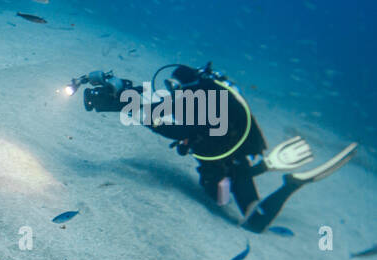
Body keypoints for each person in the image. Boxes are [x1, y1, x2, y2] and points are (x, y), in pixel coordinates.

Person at [68, 62, 357, 232]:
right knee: (236, 201)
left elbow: (171, 126)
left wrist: (134, 110)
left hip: (225, 155)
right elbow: (161, 108)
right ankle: (273, 176)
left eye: (175, 87)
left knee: (228, 202)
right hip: (235, 147)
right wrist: (122, 94)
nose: (174, 92)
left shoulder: (197, 101)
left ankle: (286, 181)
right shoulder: (206, 93)